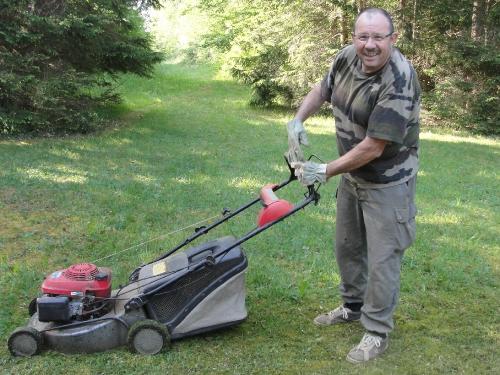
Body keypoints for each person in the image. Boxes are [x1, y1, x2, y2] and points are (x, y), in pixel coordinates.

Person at [286, 7, 420, 364]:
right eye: (363, 36)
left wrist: (325, 169)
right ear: (353, 38)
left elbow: (375, 146)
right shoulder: (347, 58)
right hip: (352, 176)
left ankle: (376, 331)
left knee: (382, 260)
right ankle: (352, 307)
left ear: (393, 39)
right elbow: (322, 88)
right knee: (347, 247)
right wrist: (298, 119)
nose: (370, 45)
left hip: (388, 182)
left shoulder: (400, 79)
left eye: (378, 37)